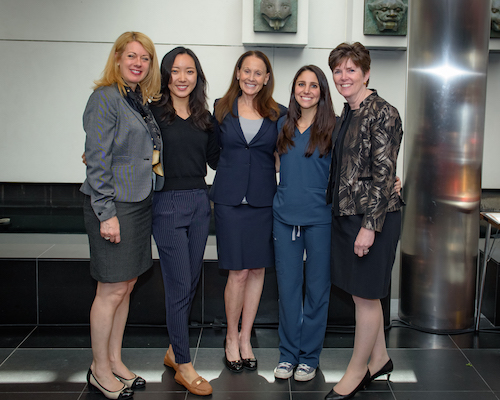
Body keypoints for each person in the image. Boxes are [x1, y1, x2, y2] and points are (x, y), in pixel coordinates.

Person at [80, 31, 161, 400]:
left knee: (126, 286)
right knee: (110, 289)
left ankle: (114, 360)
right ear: (116, 58)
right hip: (114, 205)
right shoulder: (105, 98)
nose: (138, 63)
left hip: (138, 203)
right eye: (131, 56)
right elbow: (96, 161)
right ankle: (98, 369)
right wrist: (106, 213)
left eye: (144, 58)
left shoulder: (138, 99)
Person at [324, 42, 404, 400]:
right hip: (346, 213)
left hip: (374, 217)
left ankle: (356, 373)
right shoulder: (349, 112)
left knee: (367, 298)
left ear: (366, 73)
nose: (343, 76)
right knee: (362, 296)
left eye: (351, 69)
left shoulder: (383, 112)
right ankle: (380, 358)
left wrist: (369, 228)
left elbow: (385, 174)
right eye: (338, 70)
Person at [210, 50, 287, 372]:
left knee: (256, 271)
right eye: (247, 71)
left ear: (267, 78)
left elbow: (285, 156)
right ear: (238, 73)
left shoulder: (279, 113)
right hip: (228, 201)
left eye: (259, 73)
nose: (252, 78)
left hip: (263, 201)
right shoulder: (220, 108)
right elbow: (211, 151)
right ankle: (230, 337)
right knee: (237, 272)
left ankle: (245, 337)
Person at [152, 47, 219, 396]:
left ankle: (171, 348)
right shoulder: (152, 115)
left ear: (197, 76)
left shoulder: (204, 118)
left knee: (190, 281)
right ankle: (184, 363)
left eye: (189, 71)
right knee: (179, 284)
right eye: (175, 71)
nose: (182, 78)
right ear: (165, 75)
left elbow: (218, 160)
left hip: (198, 202)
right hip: (166, 204)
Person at [272, 65, 336, 382]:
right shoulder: (282, 125)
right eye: (301, 84)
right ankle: (287, 355)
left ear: (322, 91)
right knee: (288, 288)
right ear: (294, 88)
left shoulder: (333, 128)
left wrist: (390, 179)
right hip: (284, 218)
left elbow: (353, 166)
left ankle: (309, 357)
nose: (306, 90)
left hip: (320, 219)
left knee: (316, 290)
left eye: (313, 85)